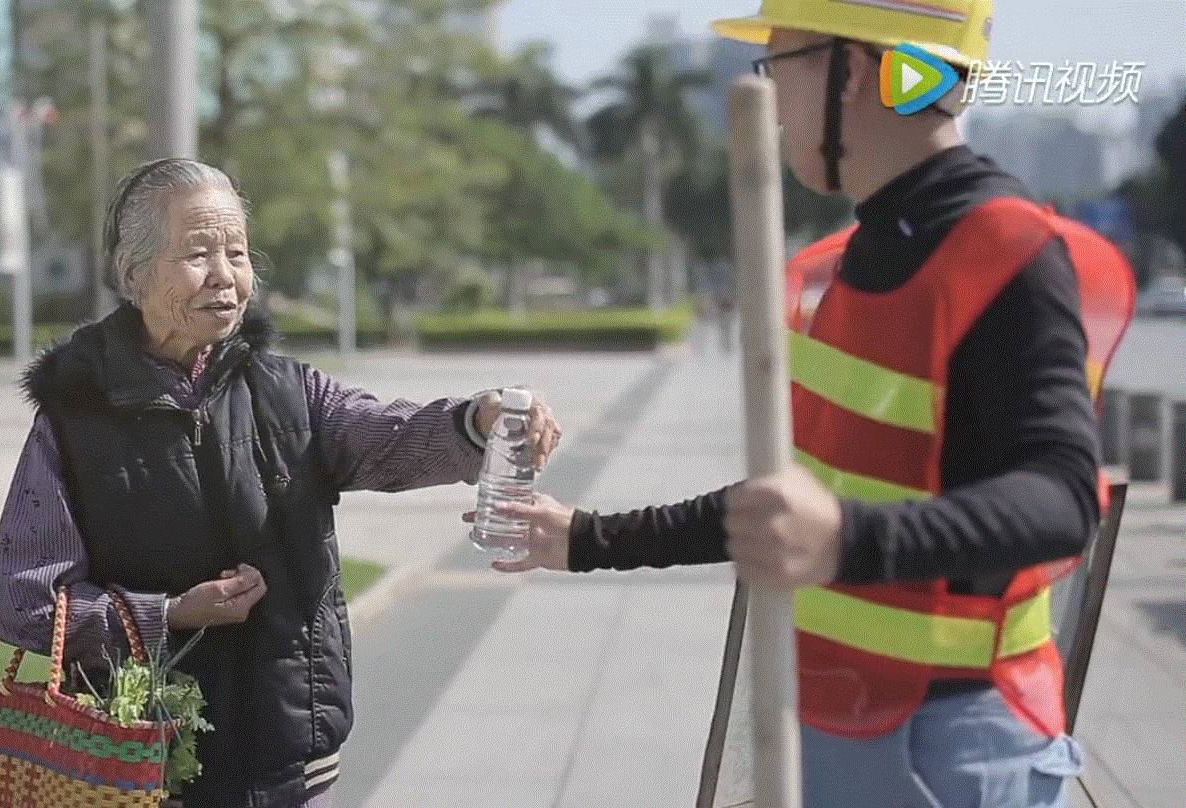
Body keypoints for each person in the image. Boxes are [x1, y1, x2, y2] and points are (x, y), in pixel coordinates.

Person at [477, 3, 1134, 806]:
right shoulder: (848, 260)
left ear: (850, 71)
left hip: (948, 746)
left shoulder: (1005, 252)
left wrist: (846, 537)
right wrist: (583, 538)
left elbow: (1065, 497)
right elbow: (788, 506)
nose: (772, 95)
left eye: (776, 65)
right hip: (834, 725)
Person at [0, 157, 563, 808]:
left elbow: (387, 437)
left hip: (294, 751)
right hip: (150, 763)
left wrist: (476, 420)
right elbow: (23, 601)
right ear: (132, 271)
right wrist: (169, 615)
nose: (225, 275)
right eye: (198, 252)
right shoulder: (74, 417)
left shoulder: (289, 392)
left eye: (236, 251)